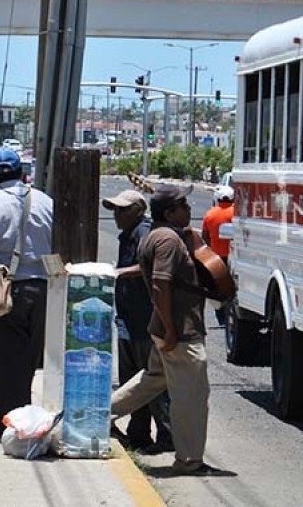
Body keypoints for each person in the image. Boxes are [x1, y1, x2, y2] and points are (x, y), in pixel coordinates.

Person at [111, 182, 214, 475]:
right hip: (179, 332)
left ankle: (96, 415)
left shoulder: (156, 235)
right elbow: (159, 284)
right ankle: (189, 460)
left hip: (166, 328)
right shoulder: (167, 240)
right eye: (184, 206)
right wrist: (170, 330)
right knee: (191, 396)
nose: (190, 210)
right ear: (170, 212)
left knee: (151, 381)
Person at [103, 189, 173, 454]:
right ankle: (139, 434)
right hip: (129, 321)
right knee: (131, 380)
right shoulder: (128, 234)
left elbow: (151, 267)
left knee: (150, 383)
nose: (116, 215)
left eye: (122, 210)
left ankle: (166, 436)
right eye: (114, 210)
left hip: (144, 321)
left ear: (137, 210)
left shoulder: (144, 232)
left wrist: (118, 273)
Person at [0, 147, 52, 440]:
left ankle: (10, 426)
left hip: (3, 292)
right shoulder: (45, 202)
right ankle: (21, 413)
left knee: (3, 360)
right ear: (21, 173)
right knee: (28, 360)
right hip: (43, 290)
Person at [201, 185, 234, 326]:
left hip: (217, 258)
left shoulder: (210, 214)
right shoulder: (236, 213)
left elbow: (205, 236)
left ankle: (221, 319)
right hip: (234, 257)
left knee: (217, 288)